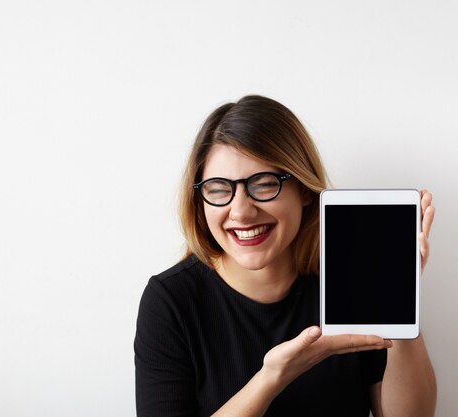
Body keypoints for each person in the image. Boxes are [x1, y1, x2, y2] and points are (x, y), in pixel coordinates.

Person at [134, 95, 437, 417]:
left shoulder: (351, 281)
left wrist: (400, 299)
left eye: (263, 185)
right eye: (219, 189)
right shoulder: (172, 300)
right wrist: (273, 377)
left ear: (304, 190)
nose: (241, 211)